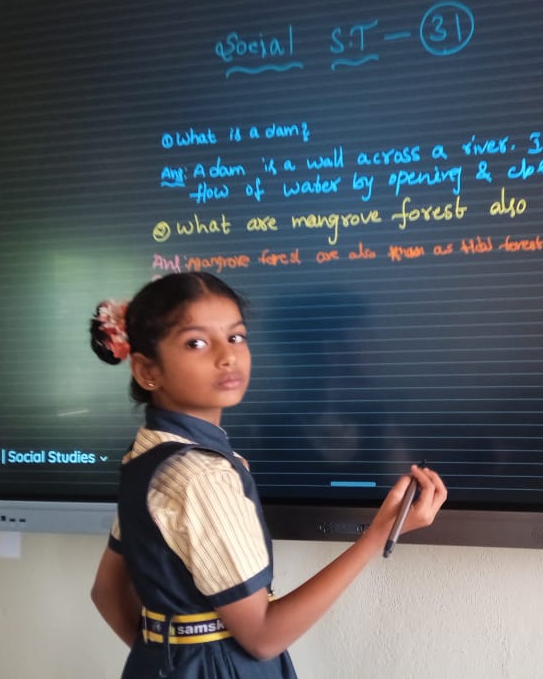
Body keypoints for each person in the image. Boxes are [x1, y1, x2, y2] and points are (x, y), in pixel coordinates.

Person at [89, 272, 447, 678]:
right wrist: (377, 535)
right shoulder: (204, 476)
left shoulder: (145, 454)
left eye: (236, 337)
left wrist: (169, 656)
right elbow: (262, 637)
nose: (227, 356)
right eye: (196, 343)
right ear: (146, 370)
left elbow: (106, 593)